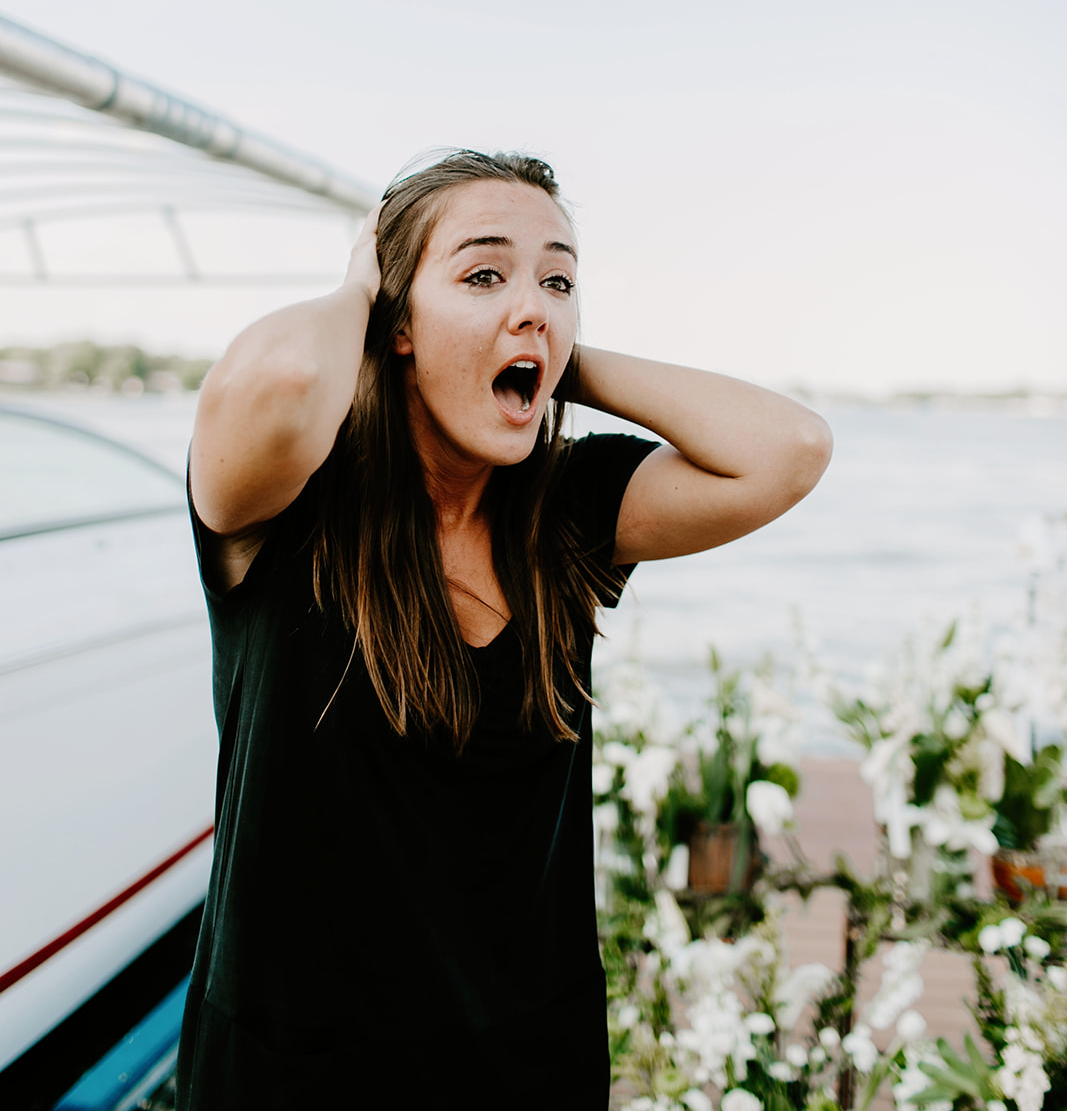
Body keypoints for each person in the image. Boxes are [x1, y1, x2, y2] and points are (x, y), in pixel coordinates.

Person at [176, 149, 832, 1110]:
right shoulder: (288, 506)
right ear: (394, 321)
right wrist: (363, 289)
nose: (534, 302)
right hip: (294, 1074)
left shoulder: (566, 512)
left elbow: (789, 449)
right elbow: (276, 377)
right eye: (483, 273)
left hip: (523, 1061)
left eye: (558, 280)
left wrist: (542, 354)